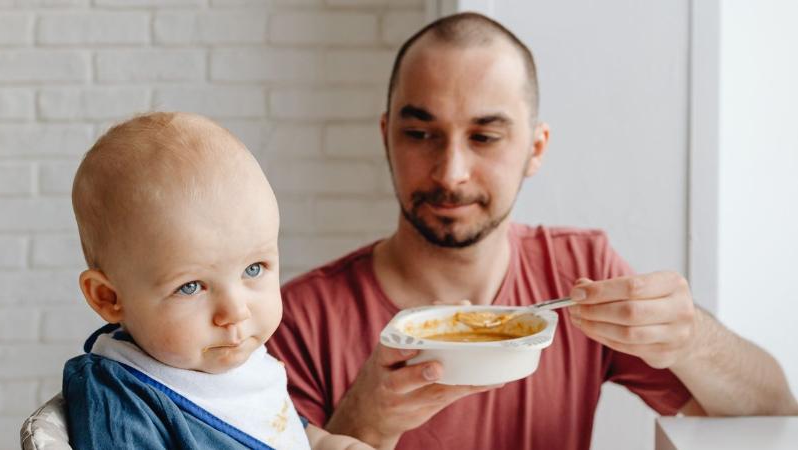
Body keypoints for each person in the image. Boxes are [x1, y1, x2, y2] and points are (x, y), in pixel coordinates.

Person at [266, 12, 798, 450]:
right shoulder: (297, 321)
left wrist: (692, 337)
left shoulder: (579, 274)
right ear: (387, 136)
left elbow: (775, 410)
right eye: (420, 133)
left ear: (535, 148)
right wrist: (364, 422)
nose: (451, 172)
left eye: (485, 136)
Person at [63, 112, 373, 450]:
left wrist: (331, 444)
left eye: (253, 269)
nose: (235, 312)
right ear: (109, 297)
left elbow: (280, 430)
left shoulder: (233, 364)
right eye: (191, 287)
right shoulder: (123, 399)